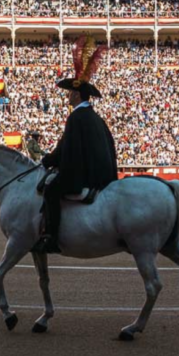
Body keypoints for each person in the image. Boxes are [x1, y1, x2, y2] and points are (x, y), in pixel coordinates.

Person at [35, 37, 118, 255]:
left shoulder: (76, 117)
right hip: (104, 175)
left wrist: (46, 161)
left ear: (77, 94)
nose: (68, 96)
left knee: (51, 190)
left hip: (85, 176)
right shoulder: (97, 118)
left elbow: (65, 149)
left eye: (70, 93)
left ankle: (51, 237)